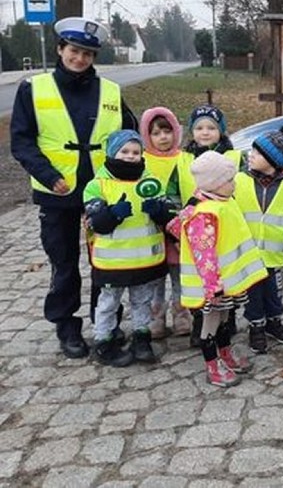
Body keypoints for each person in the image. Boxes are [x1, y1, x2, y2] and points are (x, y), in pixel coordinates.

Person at [10, 17, 137, 359]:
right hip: (57, 192)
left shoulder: (110, 92)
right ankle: (67, 326)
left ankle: (105, 323)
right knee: (64, 262)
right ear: (60, 50)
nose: (80, 59)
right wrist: (49, 175)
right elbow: (21, 142)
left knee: (106, 262)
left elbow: (129, 133)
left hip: (103, 190)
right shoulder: (33, 89)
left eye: (87, 53)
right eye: (74, 51)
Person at [167, 151, 268, 387]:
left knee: (225, 317)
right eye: (228, 180)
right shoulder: (205, 214)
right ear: (213, 184)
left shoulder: (222, 201)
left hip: (227, 280)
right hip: (213, 285)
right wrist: (213, 286)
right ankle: (212, 366)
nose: (234, 184)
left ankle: (226, 354)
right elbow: (204, 255)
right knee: (210, 323)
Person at [83, 130, 172, 366]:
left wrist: (158, 211)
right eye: (124, 151)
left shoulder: (151, 183)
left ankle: (141, 337)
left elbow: (167, 216)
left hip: (144, 259)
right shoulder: (97, 185)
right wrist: (112, 214)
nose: (130, 156)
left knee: (142, 301)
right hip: (112, 262)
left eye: (135, 152)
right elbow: (96, 223)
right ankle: (104, 341)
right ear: (113, 153)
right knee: (109, 303)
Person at [167, 104, 243, 346]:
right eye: (199, 128)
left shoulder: (232, 157)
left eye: (211, 127)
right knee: (200, 278)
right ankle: (200, 322)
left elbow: (241, 192)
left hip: (224, 227)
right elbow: (173, 194)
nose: (205, 132)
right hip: (194, 229)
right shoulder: (183, 159)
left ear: (221, 130)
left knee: (225, 277)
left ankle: (226, 321)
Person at [234, 130, 283, 353]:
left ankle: (274, 321)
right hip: (247, 252)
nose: (251, 155)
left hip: (275, 253)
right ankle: (256, 326)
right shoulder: (239, 180)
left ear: (274, 161)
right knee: (253, 293)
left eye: (258, 152)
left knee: (274, 291)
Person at [140, 106, 191, 338]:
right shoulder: (141, 161)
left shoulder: (186, 159)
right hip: (151, 230)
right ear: (147, 136)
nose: (163, 137)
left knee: (179, 275)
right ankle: (156, 317)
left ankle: (181, 314)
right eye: (156, 133)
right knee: (155, 279)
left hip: (179, 230)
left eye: (167, 131)